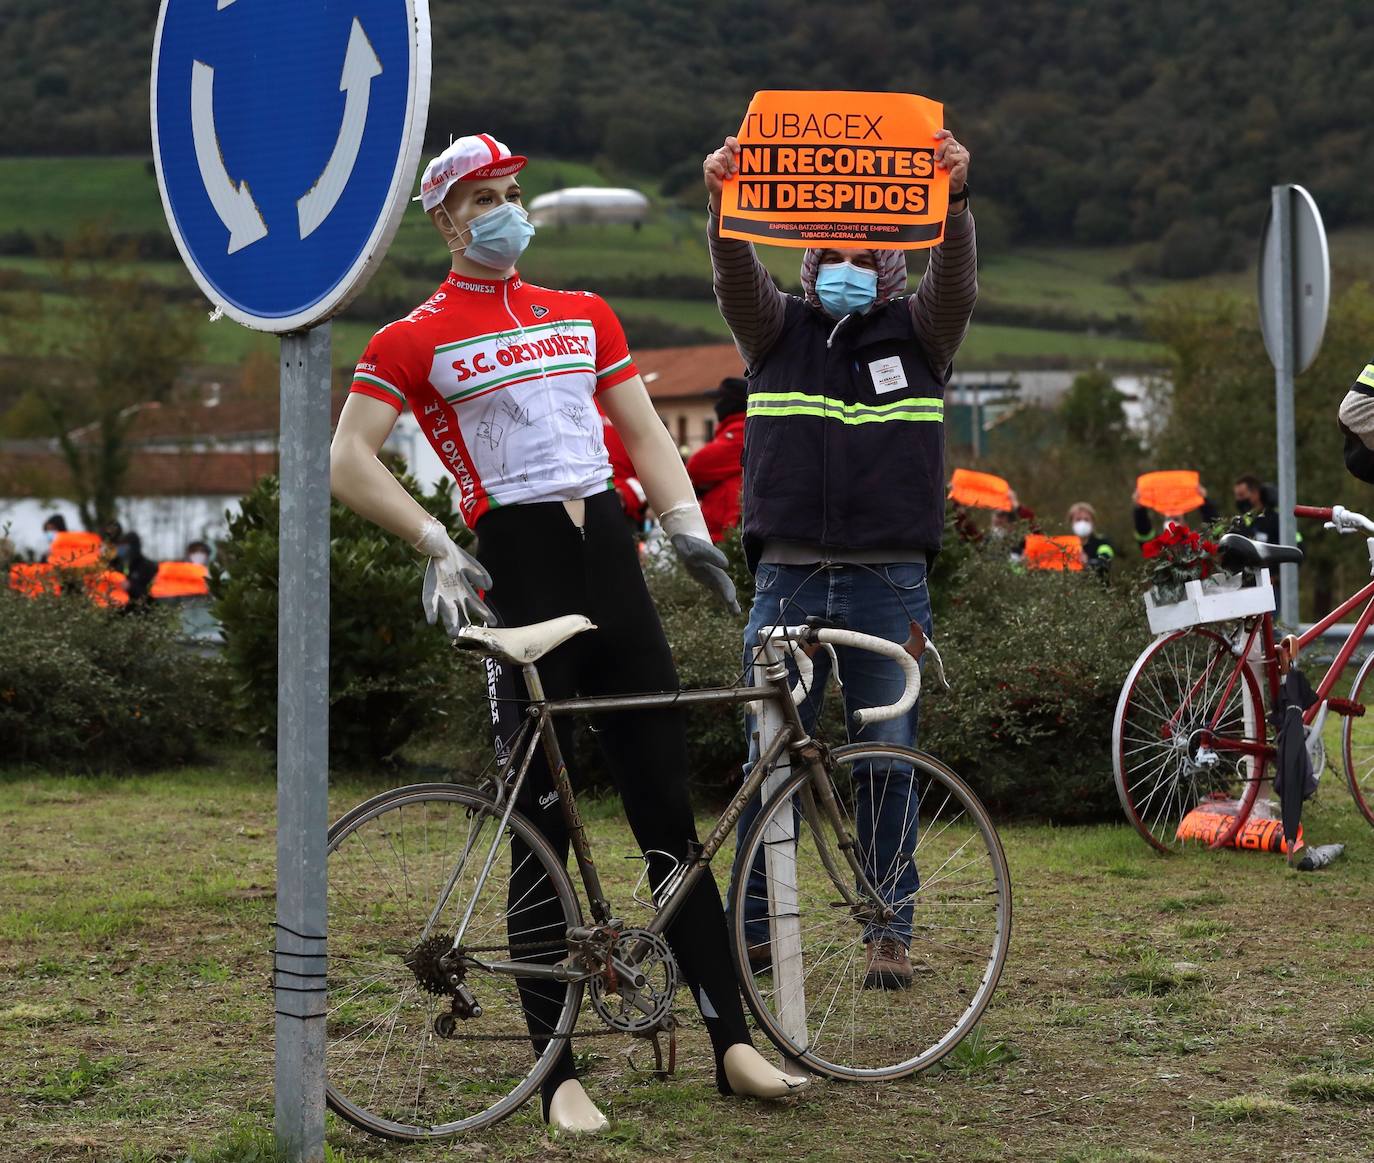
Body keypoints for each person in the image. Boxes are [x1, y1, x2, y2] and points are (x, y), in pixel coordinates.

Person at [329, 132, 804, 1134]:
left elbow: (641, 433)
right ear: (449, 217)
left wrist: (687, 530)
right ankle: (556, 1071)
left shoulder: (583, 310)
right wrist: (433, 541)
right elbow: (348, 459)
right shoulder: (411, 337)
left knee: (669, 813)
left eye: (514, 191)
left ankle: (731, 1038)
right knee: (536, 826)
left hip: (613, 560)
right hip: (520, 564)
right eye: (486, 197)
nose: (507, 208)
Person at [703, 125, 976, 989]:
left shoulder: (923, 336)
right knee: (766, 761)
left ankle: (888, 930)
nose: (843, 265)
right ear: (809, 262)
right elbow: (733, 274)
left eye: (862, 252)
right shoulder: (773, 331)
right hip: (786, 573)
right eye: (827, 253)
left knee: (888, 760)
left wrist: (956, 201)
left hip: (889, 579)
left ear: (889, 262)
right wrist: (724, 206)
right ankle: (754, 932)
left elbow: (957, 283)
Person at [686, 376, 747, 543]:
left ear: (732, 403)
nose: (716, 406)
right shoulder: (735, 429)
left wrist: (706, 482)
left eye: (720, 399)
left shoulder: (741, 431)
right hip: (722, 532)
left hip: (728, 536)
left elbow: (697, 466)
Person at [1067, 502, 1115, 577]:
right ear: (1071, 523)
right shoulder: (1064, 545)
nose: (1082, 523)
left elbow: (1105, 562)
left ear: (1093, 522)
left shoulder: (1103, 543)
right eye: (1078, 519)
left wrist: (1087, 562)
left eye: (1086, 519)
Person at [114, 532, 157, 605]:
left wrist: (130, 587)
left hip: (144, 612)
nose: (121, 549)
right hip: (123, 611)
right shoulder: (121, 566)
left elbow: (150, 593)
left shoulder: (148, 566)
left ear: (133, 547)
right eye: (121, 546)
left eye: (125, 546)